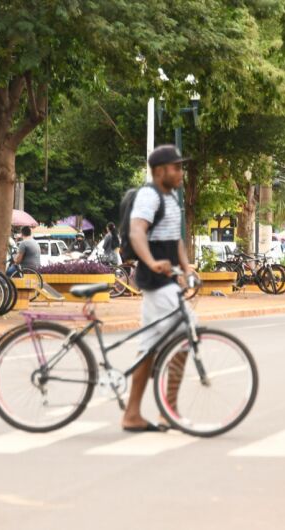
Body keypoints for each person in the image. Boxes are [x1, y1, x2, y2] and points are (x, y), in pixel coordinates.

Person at [122, 144, 196, 433]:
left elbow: (175, 240)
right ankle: (170, 411)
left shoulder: (172, 198)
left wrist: (186, 267)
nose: (180, 172)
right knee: (189, 329)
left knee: (149, 348)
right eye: (176, 167)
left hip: (167, 280)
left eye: (181, 167)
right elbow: (136, 230)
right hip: (155, 280)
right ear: (159, 171)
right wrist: (152, 262)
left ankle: (132, 414)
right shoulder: (149, 196)